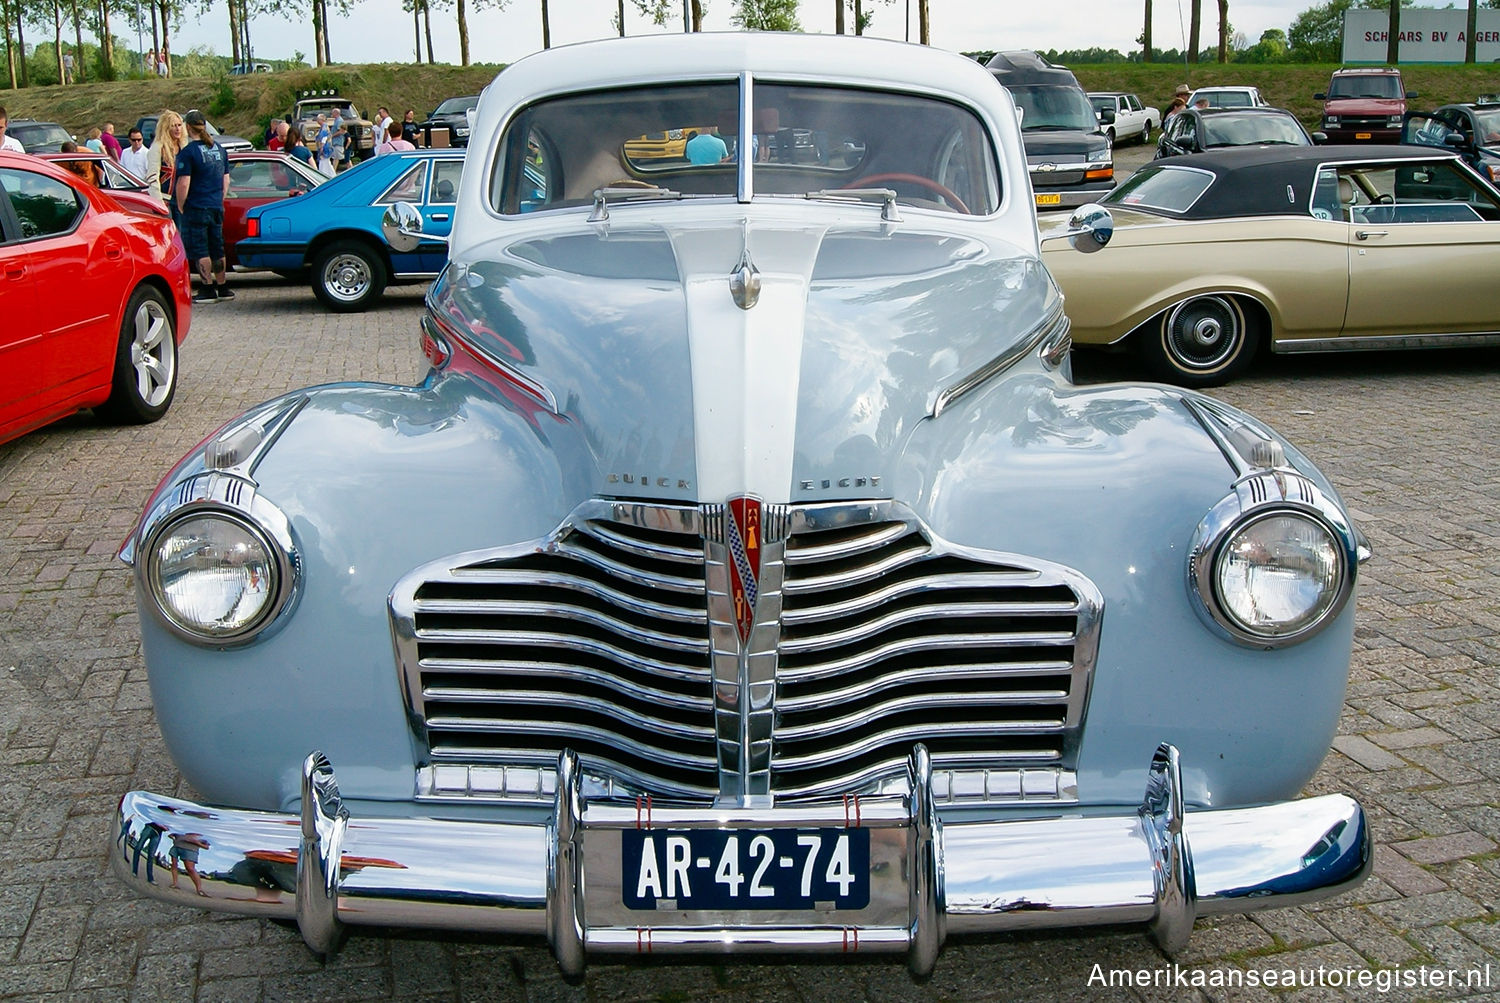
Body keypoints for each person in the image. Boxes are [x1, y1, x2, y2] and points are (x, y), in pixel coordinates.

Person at [176, 110, 234, 302]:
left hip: (197, 205)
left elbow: (184, 182)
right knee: (217, 246)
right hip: (215, 204)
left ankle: (207, 288)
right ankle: (223, 286)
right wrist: (219, 199)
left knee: (201, 249)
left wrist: (180, 204)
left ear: (187, 127)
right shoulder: (219, 149)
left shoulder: (188, 153)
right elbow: (226, 181)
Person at [146, 109, 187, 222]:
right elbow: (152, 178)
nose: (178, 129)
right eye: (174, 126)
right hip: (165, 200)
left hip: (181, 200)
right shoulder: (157, 147)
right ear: (166, 128)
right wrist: (158, 203)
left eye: (179, 125)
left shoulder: (184, 147)